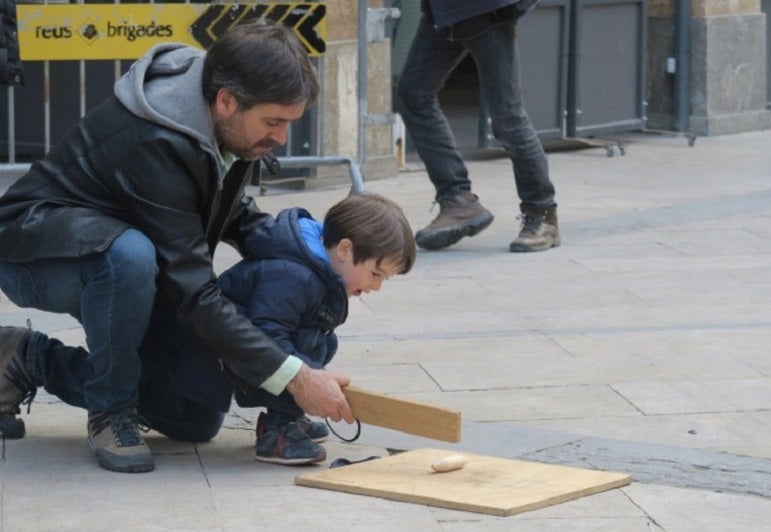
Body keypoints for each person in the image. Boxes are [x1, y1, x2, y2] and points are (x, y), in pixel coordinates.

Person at [0, 20, 355, 474]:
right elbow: (192, 291)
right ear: (227, 101)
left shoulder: (224, 118)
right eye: (273, 122)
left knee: (191, 413)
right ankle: (111, 410)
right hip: (37, 252)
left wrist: (318, 263)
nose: (281, 139)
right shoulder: (158, 139)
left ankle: (25, 359)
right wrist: (295, 375)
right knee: (128, 256)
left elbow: (235, 214)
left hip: (123, 254)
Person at [165, 193, 416, 465]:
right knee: (309, 341)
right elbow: (266, 336)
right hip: (215, 356)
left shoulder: (315, 269)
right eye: (376, 274)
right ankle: (277, 430)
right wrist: (305, 379)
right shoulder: (294, 274)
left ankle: (287, 415)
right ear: (344, 250)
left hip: (244, 351)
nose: (375, 287)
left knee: (323, 341)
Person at [396, 0, 560, 253]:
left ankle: (542, 215)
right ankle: (457, 200)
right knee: (414, 96)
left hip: (485, 11)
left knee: (508, 119)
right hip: (446, 13)